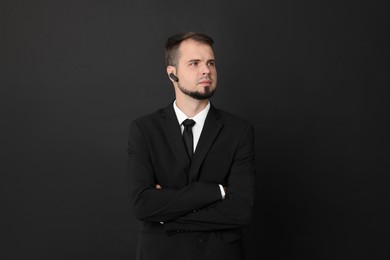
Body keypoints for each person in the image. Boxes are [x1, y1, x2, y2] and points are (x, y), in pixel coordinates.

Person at [127, 32, 256, 260]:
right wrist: (215, 192)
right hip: (161, 254)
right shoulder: (145, 129)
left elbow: (241, 210)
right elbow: (142, 205)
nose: (206, 70)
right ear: (172, 74)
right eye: (194, 63)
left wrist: (166, 216)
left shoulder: (239, 130)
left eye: (210, 63)